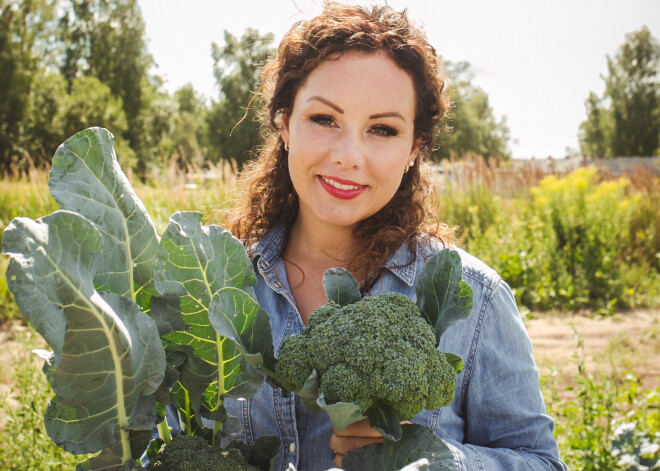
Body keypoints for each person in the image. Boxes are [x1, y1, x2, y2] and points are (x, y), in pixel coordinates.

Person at [223, 3, 567, 470]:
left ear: (413, 150)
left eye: (382, 129)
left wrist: (435, 460)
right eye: (325, 119)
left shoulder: (475, 300)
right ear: (285, 124)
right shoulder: (217, 286)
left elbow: (541, 462)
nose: (349, 155)